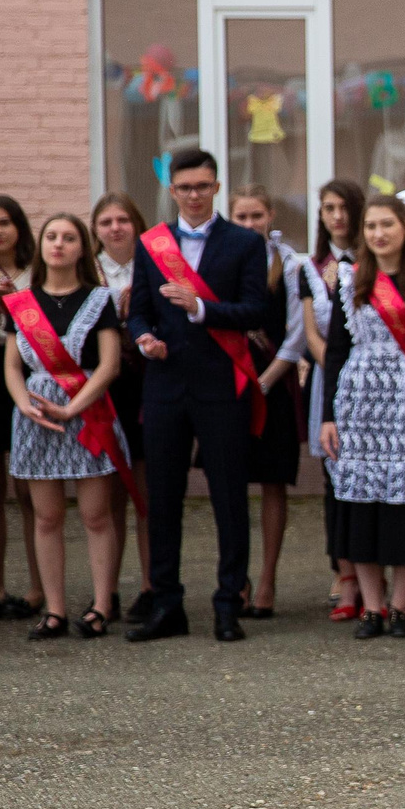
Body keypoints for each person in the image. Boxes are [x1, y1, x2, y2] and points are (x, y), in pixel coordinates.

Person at [126, 148, 271, 645]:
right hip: (166, 384)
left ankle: (229, 603)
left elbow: (255, 311)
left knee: (229, 497)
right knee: (162, 498)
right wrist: (144, 339)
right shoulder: (152, 245)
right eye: (185, 187)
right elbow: (139, 312)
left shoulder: (245, 244)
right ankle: (166, 603)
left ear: (216, 187)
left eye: (203, 186)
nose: (193, 194)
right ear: (172, 191)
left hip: (218, 384)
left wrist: (202, 309)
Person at [318, 192, 405, 639]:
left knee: (404, 504)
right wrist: (327, 416)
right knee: (361, 506)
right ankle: (371, 607)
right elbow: (335, 351)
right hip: (357, 405)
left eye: (386, 225)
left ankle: (400, 606)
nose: (378, 234)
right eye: (371, 227)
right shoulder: (349, 279)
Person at [4, 212, 129, 640]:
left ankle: (100, 605)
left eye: (70, 237)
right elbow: (11, 367)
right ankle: (55, 610)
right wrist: (26, 406)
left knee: (96, 515)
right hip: (37, 418)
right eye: (51, 236)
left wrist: (72, 408)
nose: (59, 244)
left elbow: (109, 365)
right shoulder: (21, 303)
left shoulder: (100, 299)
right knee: (46, 517)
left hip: (87, 414)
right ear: (40, 246)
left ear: (82, 248)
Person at [228, 186, 308, 620]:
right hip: (230, 384)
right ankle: (235, 578)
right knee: (232, 483)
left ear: (270, 215)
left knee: (273, 482)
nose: (248, 225)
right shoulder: (221, 261)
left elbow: (297, 331)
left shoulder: (290, 266)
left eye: (256, 216)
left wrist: (266, 380)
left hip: (273, 383)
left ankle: (267, 581)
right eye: (240, 217)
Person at [0, 194, 50, 625]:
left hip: (23, 374)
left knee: (28, 491)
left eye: (4, 222)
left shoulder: (38, 270)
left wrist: (17, 303)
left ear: (19, 225)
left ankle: (38, 588)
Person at [92, 193, 156, 619]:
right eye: (105, 221)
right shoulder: (87, 271)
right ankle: (107, 591)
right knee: (109, 495)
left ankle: (152, 586)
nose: (115, 228)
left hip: (147, 386)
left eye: (123, 219)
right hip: (101, 389)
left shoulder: (154, 266)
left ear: (137, 224)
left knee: (147, 493)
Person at [309, 177, 368, 624]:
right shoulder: (311, 267)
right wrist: (334, 364)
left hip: (372, 379)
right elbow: (308, 329)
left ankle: (371, 573)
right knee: (336, 478)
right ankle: (342, 571)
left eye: (345, 207)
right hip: (329, 377)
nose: (338, 216)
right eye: (329, 208)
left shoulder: (374, 263)